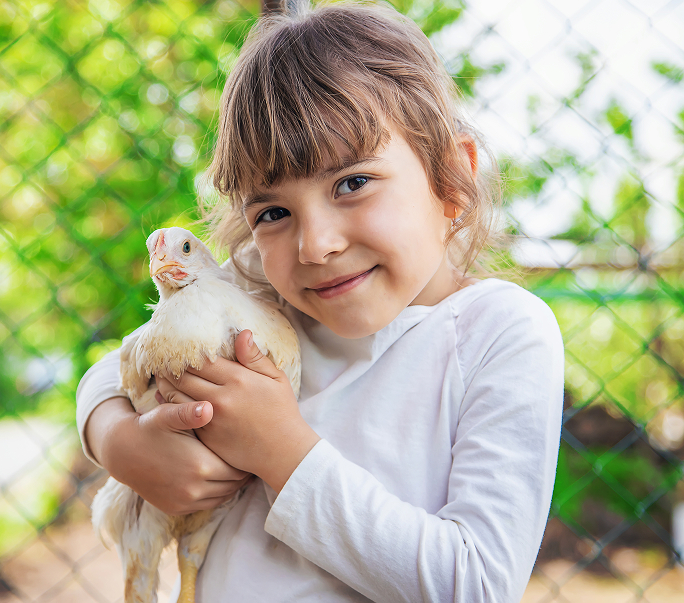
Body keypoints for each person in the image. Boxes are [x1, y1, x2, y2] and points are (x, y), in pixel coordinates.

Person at [76, 3, 564, 601]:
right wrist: (117, 440)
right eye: (274, 213)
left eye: (352, 183)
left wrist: (281, 450)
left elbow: (476, 585)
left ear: (449, 181)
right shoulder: (262, 287)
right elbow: (121, 362)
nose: (315, 245)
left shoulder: (500, 334)